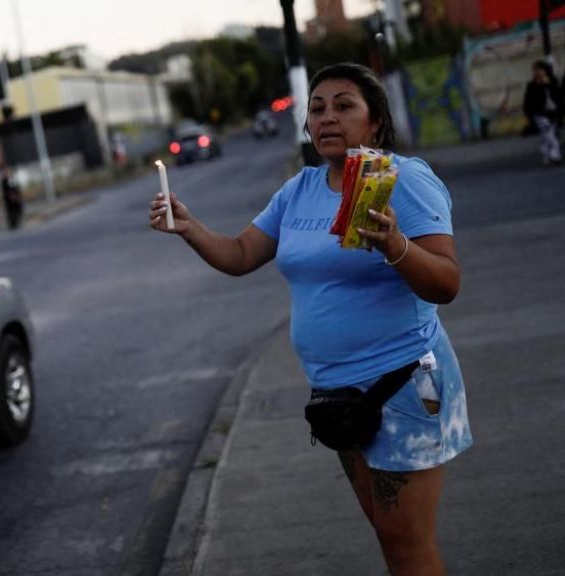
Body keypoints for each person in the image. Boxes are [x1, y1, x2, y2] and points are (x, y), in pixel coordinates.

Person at [150, 62, 472, 575]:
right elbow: (239, 255)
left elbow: (446, 282)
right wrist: (190, 229)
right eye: (317, 108)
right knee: (389, 539)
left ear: (375, 123)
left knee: (408, 545)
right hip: (340, 395)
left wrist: (393, 244)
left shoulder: (401, 180)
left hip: (405, 383)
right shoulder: (298, 190)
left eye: (344, 106)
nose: (327, 117)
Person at [523, 60, 562, 165]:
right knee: (549, 134)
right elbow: (528, 102)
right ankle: (555, 155)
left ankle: (545, 155)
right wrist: (528, 116)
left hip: (552, 112)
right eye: (535, 70)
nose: (537, 72)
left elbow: (558, 96)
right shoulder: (532, 85)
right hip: (539, 113)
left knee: (548, 135)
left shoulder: (553, 82)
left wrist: (548, 84)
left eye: (539, 70)